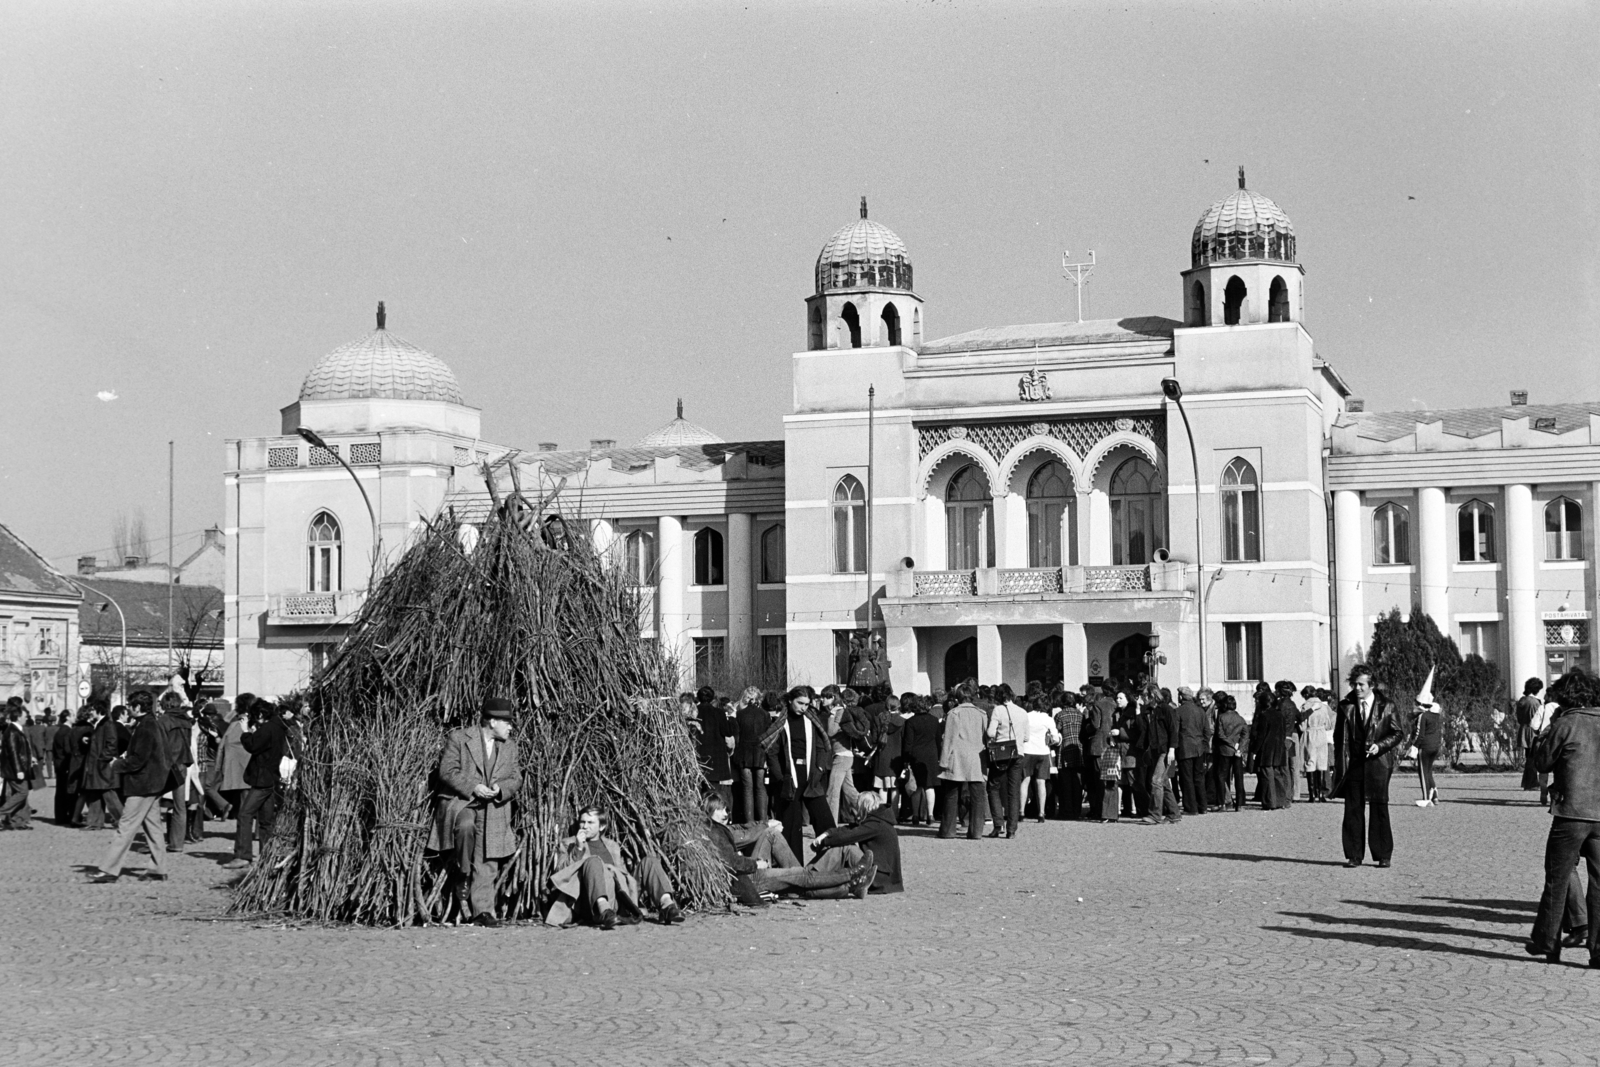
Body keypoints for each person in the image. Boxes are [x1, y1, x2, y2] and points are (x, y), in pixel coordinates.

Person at [1525, 669, 1600, 967]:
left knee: (1557, 877)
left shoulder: (1566, 723)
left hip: (1571, 813)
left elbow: (1542, 761)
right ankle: (1598, 951)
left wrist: (1544, 732)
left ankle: (1548, 941)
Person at [425, 696, 522, 925]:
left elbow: (516, 777)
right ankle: (463, 872)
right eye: (506, 722)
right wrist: (473, 787)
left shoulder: (510, 747)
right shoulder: (459, 738)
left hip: (493, 808)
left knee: (488, 859)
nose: (510, 727)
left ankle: (483, 912)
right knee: (465, 826)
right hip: (462, 803)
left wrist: (500, 790)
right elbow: (447, 771)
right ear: (492, 721)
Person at [547, 807, 683, 928]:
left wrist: (615, 873)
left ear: (601, 827)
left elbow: (622, 875)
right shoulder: (569, 843)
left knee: (650, 861)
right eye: (582, 822)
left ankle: (667, 906)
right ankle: (604, 911)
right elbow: (562, 875)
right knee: (593, 861)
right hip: (589, 900)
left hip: (618, 896)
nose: (585, 826)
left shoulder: (612, 846)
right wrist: (578, 849)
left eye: (590, 823)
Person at [88, 696, 171, 882]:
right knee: (153, 827)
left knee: (125, 826)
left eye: (130, 706)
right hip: (153, 783)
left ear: (139, 707)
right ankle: (158, 868)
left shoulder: (145, 727)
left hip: (142, 785)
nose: (128, 709)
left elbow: (138, 760)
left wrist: (117, 764)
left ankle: (109, 870)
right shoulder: (151, 724)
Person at [1333, 663, 1402, 868]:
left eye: (1361, 684)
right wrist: (1340, 761)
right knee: (1353, 809)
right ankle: (1354, 855)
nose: (1357, 688)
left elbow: (1398, 733)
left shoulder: (1387, 706)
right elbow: (1339, 736)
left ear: (1372, 685)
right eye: (1354, 684)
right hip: (1353, 764)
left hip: (1378, 764)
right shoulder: (1346, 705)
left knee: (1379, 809)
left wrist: (1379, 746)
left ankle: (1383, 855)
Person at [224, 697, 302, 869]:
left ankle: (243, 855)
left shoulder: (267, 728)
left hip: (261, 779)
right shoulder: (278, 727)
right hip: (272, 778)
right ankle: (267, 855)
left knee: (245, 815)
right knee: (266, 821)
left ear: (260, 715)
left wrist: (245, 731)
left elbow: (252, 746)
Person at [762, 686, 837, 859]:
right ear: (790, 701)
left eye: (806, 704)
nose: (803, 708)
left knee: (825, 822)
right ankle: (794, 871)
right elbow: (771, 752)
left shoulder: (812, 719)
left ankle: (832, 862)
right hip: (789, 779)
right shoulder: (780, 722)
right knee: (790, 828)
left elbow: (822, 746)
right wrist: (780, 777)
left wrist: (819, 769)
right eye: (800, 703)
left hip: (812, 777)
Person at [814, 789, 902, 894]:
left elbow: (846, 836)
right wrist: (827, 833)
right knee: (845, 846)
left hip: (878, 878)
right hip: (884, 876)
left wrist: (824, 841)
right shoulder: (878, 820)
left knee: (847, 848)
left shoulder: (875, 825)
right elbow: (850, 829)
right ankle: (815, 874)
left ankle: (813, 875)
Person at [937, 683, 990, 839]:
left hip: (957, 757)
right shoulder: (982, 714)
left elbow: (949, 738)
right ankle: (976, 831)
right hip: (977, 758)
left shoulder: (954, 713)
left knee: (951, 795)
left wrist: (943, 760)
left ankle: (948, 830)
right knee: (978, 796)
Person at [984, 684, 1030, 838]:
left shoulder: (998, 710)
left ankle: (998, 825)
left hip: (1001, 754)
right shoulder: (1022, 712)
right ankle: (1012, 829)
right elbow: (1026, 737)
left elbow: (990, 732)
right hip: (1018, 753)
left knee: (993, 787)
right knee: (1013, 791)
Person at [156, 691, 196, 853]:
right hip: (182, 763)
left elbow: (159, 744)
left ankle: (155, 840)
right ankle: (177, 843)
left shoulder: (163, 720)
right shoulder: (186, 720)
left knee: (153, 803)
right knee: (180, 806)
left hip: (166, 764)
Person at [80, 704, 126, 832]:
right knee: (95, 793)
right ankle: (95, 823)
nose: (90, 712)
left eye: (92, 709)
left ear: (99, 710)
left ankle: (123, 822)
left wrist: (101, 759)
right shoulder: (100, 724)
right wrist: (89, 740)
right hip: (98, 766)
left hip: (103, 767)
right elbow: (101, 742)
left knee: (109, 795)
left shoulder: (107, 724)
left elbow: (111, 745)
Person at [731, 687, 772, 825]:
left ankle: (749, 822)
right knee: (760, 788)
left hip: (744, 753)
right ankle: (762, 821)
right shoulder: (765, 715)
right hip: (760, 753)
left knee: (747, 788)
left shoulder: (740, 714)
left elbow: (737, 737)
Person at [899, 694, 941, 825]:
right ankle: (930, 815)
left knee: (916, 786)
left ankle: (916, 815)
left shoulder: (910, 722)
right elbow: (938, 740)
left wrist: (906, 759)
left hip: (916, 756)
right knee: (929, 786)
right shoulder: (934, 720)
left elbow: (908, 743)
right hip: (932, 755)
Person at [693, 686, 735, 811]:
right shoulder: (719, 713)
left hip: (698, 757)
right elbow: (727, 732)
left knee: (698, 794)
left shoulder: (694, 712)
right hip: (716, 761)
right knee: (713, 796)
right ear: (712, 698)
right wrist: (731, 718)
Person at [1407, 670, 1444, 807]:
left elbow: (1419, 733)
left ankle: (1425, 798)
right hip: (1435, 746)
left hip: (1425, 747)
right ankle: (1434, 794)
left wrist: (1414, 746)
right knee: (1428, 771)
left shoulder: (1423, 716)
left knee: (1422, 772)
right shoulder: (1436, 715)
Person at [1253, 683, 1293, 810]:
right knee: (1277, 775)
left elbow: (1261, 735)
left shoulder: (1264, 715)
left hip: (1267, 749)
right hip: (1278, 747)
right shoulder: (1279, 714)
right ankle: (1282, 800)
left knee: (1267, 776)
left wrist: (1255, 750)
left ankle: (1270, 801)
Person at [1020, 694, 1059, 823]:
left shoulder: (1026, 716)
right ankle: (1041, 813)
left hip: (1027, 750)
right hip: (1042, 751)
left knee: (1025, 781)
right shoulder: (1047, 719)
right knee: (1041, 782)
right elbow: (1055, 738)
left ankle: (1021, 811)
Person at [1175, 686, 1210, 816]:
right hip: (1199, 748)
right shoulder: (1200, 711)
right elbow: (1207, 730)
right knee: (1199, 777)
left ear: (1180, 697)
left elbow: (1175, 731)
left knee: (1187, 778)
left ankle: (1191, 807)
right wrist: (1204, 744)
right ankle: (1203, 806)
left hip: (1185, 748)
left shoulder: (1178, 711)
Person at [0, 704, 35, 829]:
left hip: (17, 768)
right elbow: (13, 752)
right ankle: (2, 813)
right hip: (15, 770)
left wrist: (31, 759)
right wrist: (19, 770)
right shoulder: (12, 731)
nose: (27, 718)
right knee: (22, 792)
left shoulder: (15, 730)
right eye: (25, 715)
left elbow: (20, 750)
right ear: (19, 716)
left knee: (20, 793)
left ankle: (18, 821)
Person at [1051, 693, 1084, 820]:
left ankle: (1066, 811)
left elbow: (1056, 732)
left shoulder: (1060, 715)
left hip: (1064, 750)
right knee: (1077, 783)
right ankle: (1077, 810)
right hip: (1078, 750)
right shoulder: (1080, 714)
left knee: (1065, 783)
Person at [1214, 692, 1248, 811]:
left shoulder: (1222, 717)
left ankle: (1222, 802)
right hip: (1237, 751)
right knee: (1239, 778)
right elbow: (1245, 734)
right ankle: (1240, 804)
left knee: (1221, 776)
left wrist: (1230, 744)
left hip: (1225, 750)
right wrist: (1240, 748)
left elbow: (1220, 734)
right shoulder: (1240, 718)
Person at [1302, 687, 1335, 802]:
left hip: (1310, 733)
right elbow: (1328, 724)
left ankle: (1312, 794)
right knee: (1321, 763)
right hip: (1321, 734)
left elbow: (1302, 726)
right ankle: (1321, 794)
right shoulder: (1324, 707)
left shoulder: (1305, 706)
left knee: (1310, 762)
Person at [1517, 677, 1546, 795]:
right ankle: (1531, 782)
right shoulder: (1535, 702)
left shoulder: (1522, 700)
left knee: (1529, 756)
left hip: (1523, 729)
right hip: (1532, 731)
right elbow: (1537, 719)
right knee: (1532, 758)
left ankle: (1528, 781)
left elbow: (1519, 717)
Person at [51, 709, 78, 825]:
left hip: (59, 763)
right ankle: (67, 816)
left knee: (60, 791)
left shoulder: (60, 731)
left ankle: (60, 816)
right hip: (65, 764)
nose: (75, 717)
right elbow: (68, 750)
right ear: (67, 717)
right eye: (73, 715)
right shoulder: (67, 731)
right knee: (67, 791)